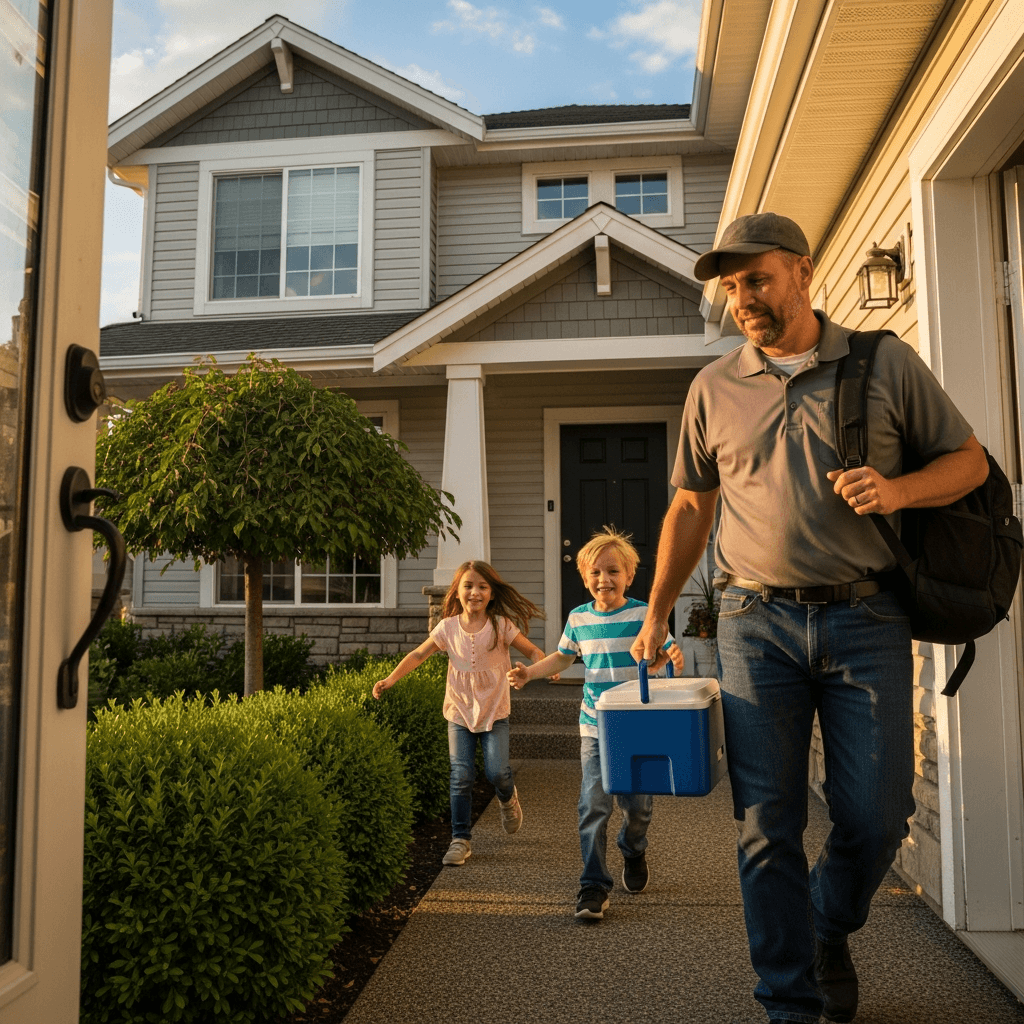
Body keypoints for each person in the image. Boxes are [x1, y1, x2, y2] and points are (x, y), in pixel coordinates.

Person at [631, 212, 989, 1024]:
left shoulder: (883, 362)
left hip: (866, 619)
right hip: (752, 623)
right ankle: (788, 1001)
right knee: (768, 825)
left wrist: (897, 491)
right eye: (731, 288)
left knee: (876, 813)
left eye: (757, 278)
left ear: (803, 270)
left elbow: (968, 460)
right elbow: (690, 505)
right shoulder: (713, 387)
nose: (744, 299)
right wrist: (656, 612)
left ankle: (829, 923)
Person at [508, 527, 685, 921]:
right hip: (595, 725)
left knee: (637, 807)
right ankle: (593, 885)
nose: (604, 579)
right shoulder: (578, 618)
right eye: (595, 573)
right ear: (584, 578)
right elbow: (562, 658)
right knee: (593, 804)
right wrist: (530, 673)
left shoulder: (644, 614)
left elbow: (668, 647)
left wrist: (673, 656)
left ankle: (633, 848)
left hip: (639, 726)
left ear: (629, 576)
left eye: (613, 571)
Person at [373, 560, 548, 867]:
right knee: (461, 775)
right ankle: (460, 839)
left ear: (492, 593)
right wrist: (391, 679)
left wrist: (536, 669)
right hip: (459, 710)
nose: (475, 592)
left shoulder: (501, 625)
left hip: (494, 709)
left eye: (482, 586)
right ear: (458, 591)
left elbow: (533, 652)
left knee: (497, 772)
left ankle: (508, 798)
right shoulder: (448, 627)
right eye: (468, 585)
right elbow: (418, 653)